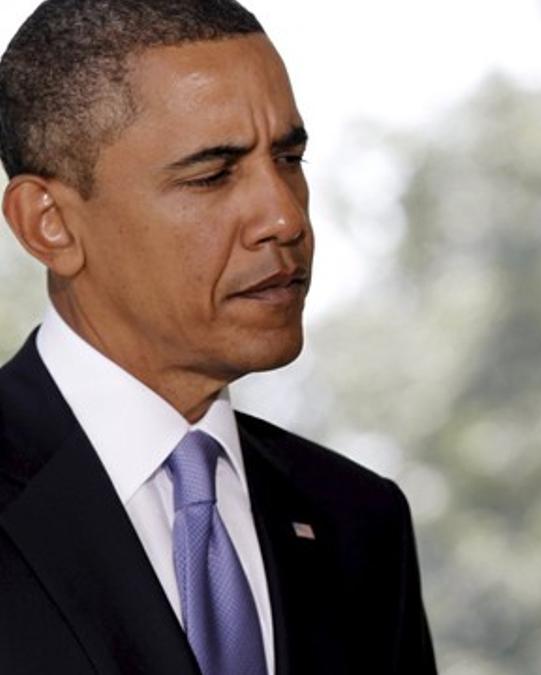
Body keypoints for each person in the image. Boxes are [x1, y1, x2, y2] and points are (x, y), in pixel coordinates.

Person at [0, 1, 435, 673]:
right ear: (48, 223)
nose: (285, 217)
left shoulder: (359, 518)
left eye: (289, 158)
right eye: (213, 174)